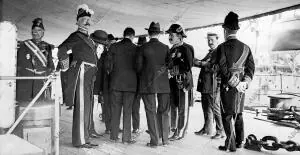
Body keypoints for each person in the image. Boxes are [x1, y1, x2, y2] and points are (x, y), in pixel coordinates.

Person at [57, 4, 98, 148]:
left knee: (87, 108)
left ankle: (85, 138)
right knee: (81, 108)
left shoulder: (89, 38)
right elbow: (62, 49)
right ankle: (79, 140)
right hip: (82, 73)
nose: (87, 22)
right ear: (77, 22)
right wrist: (68, 66)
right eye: (83, 19)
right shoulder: (75, 36)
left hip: (89, 76)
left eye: (88, 19)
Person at [215, 11, 255, 152]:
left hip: (228, 86)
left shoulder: (222, 47)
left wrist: (234, 83)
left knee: (227, 115)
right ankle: (240, 142)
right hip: (241, 88)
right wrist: (244, 83)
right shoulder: (246, 48)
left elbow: (222, 67)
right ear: (236, 30)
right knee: (239, 113)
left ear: (225, 30)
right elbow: (251, 68)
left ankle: (230, 144)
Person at [137, 22, 170, 147]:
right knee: (164, 111)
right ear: (159, 34)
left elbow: (138, 67)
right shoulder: (166, 47)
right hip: (163, 84)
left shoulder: (143, 48)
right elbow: (170, 65)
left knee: (150, 111)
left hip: (147, 83)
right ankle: (165, 140)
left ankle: (154, 141)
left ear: (148, 33)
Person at [108, 27, 137, 144]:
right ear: (132, 36)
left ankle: (114, 136)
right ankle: (126, 138)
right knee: (127, 111)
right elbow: (139, 66)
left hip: (115, 83)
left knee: (115, 110)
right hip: (130, 85)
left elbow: (108, 65)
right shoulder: (136, 49)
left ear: (124, 35)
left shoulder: (114, 47)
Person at [16, 17, 55, 103]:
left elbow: (50, 65)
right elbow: (18, 64)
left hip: (40, 83)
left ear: (43, 32)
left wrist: (49, 73)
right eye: (34, 30)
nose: (36, 32)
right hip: (26, 84)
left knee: (40, 106)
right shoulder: (24, 45)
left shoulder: (47, 47)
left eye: (39, 30)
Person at [194, 32, 225, 139]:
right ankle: (207, 129)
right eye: (208, 40)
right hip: (205, 85)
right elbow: (203, 63)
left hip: (213, 85)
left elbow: (214, 67)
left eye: (212, 40)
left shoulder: (219, 52)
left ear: (217, 40)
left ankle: (220, 131)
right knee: (206, 108)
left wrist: (201, 63)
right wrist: (196, 61)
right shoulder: (210, 53)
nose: (210, 42)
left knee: (215, 108)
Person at [167, 24, 193, 141]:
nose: (169, 37)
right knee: (173, 106)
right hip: (172, 82)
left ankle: (180, 131)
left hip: (183, 83)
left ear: (179, 36)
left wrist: (173, 71)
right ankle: (173, 128)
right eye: (169, 35)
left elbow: (188, 66)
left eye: (171, 35)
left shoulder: (187, 48)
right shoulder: (172, 49)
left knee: (182, 108)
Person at [90, 30, 109, 138]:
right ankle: (89, 129)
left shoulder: (102, 51)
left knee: (92, 108)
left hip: (97, 85)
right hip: (90, 84)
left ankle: (90, 128)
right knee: (89, 108)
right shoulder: (91, 50)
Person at [132, 36, 146, 134]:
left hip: (136, 84)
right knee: (150, 107)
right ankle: (152, 127)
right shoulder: (148, 52)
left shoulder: (136, 52)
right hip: (146, 84)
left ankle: (136, 127)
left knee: (135, 107)